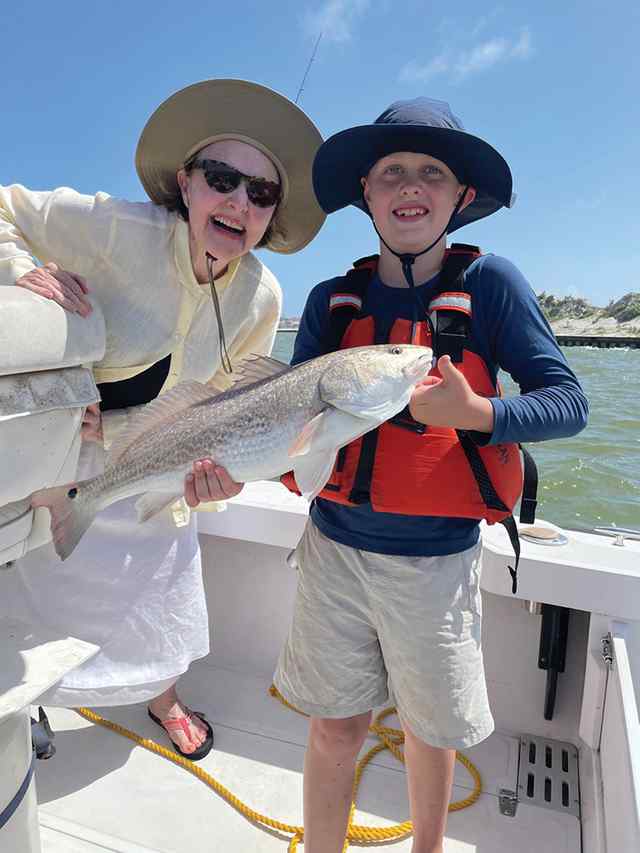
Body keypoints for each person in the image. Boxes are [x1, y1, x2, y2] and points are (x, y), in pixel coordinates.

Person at [274, 98, 588, 852]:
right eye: (391, 172)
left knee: (429, 728)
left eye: (431, 172)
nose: (410, 184)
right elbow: (291, 424)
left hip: (439, 560)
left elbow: (569, 401)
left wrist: (479, 413)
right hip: (333, 549)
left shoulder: (493, 284)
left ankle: (428, 847)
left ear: (461, 196)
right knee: (334, 725)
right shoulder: (330, 300)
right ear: (366, 195)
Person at [0, 79, 324, 760]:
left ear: (271, 215)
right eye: (222, 178)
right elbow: (4, 207)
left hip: (171, 465)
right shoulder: (115, 227)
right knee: (36, 601)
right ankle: (35, 697)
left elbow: (237, 408)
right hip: (75, 451)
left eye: (261, 193)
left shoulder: (263, 297)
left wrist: (226, 477)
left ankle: (161, 692)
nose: (239, 201)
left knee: (167, 592)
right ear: (185, 182)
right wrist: (23, 269)